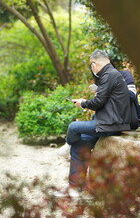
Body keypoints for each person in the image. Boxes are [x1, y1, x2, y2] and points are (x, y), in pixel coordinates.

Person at [54, 49, 132, 197]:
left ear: (94, 64)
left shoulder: (109, 74)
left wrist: (82, 103)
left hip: (110, 125)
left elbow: (98, 102)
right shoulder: (113, 74)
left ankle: (68, 144)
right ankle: (75, 188)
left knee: (73, 127)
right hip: (108, 122)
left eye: (91, 66)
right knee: (80, 145)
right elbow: (105, 100)